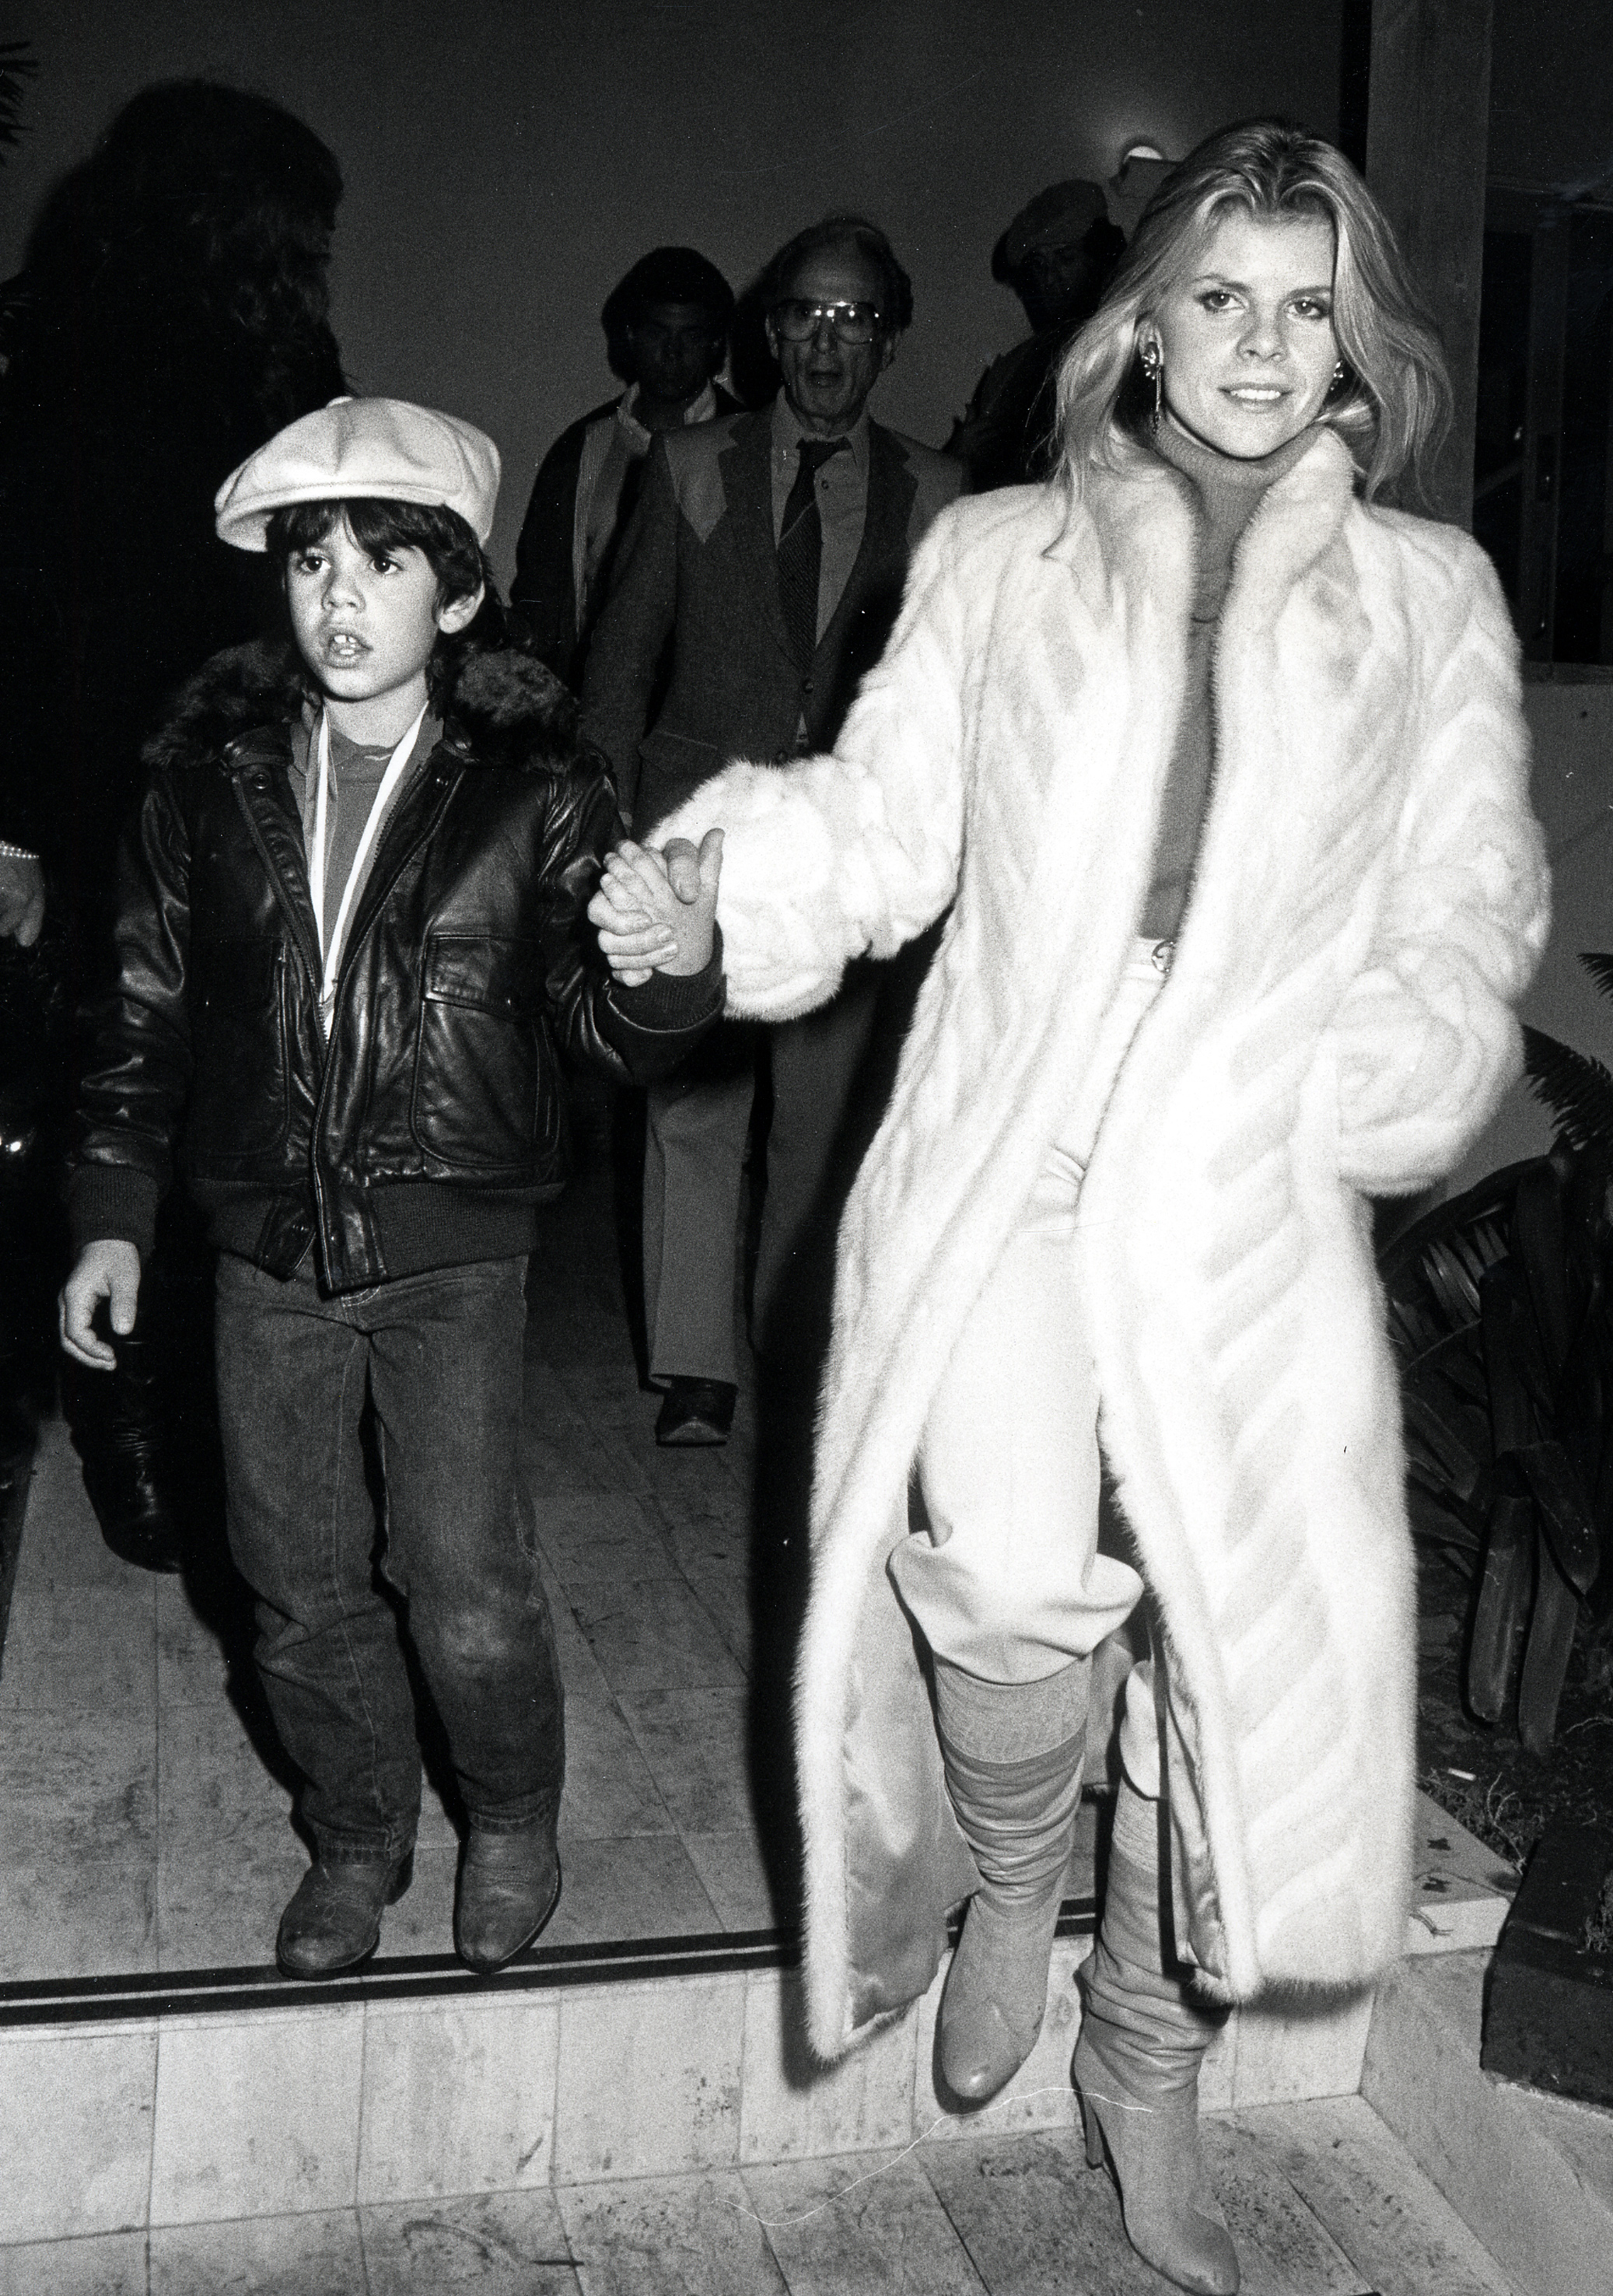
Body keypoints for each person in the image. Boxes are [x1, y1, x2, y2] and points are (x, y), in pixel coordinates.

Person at [593, 121, 1549, 2295]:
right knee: (1014, 1575)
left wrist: (1367, 1063)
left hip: (1242, 1148)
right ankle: (1010, 1869)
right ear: (1143, 317)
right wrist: (712, 892)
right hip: (1019, 1120)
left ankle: (1146, 2058)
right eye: (1220, 293)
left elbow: (1464, 903)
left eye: (1308, 305)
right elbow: (884, 820)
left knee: (1221, 1665)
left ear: (1354, 343)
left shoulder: (1428, 600)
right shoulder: (1003, 557)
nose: (1259, 345)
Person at [58, 397, 723, 1980]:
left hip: (448, 1250)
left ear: (462, 593)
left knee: (463, 1577)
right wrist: (106, 1214)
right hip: (266, 1245)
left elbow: (599, 1022)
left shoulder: (534, 792)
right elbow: (142, 1011)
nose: (341, 599)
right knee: (290, 1582)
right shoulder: (207, 786)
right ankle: (358, 1834)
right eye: (307, 563)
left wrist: (672, 968)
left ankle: (509, 1817)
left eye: (383, 561)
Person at [0, 80, 349, 1569]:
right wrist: (12, 828)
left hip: (234, 785)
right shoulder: (56, 350)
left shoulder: (283, 360)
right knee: (111, 1106)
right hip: (96, 791)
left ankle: (194, 1431)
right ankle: (126, 1430)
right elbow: (13, 600)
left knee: (229, 1110)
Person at [579, 215, 963, 1446]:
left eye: (853, 319)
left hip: (844, 856)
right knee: (691, 1106)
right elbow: (620, 664)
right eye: (802, 314)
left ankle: (796, 1351)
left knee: (823, 1119)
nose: (824, 342)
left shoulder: (941, 497)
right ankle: (697, 1367)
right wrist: (604, 829)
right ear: (771, 329)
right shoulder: (689, 463)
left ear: (890, 341)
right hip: (695, 839)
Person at [512, 247, 740, 691]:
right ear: (631, 336)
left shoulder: (751, 446)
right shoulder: (579, 452)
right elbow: (539, 597)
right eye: (659, 333)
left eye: (690, 336)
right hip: (589, 699)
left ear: (715, 344)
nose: (672, 353)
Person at [946, 178, 1126, 491]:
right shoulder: (1013, 369)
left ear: (1102, 255)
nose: (1053, 277)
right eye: (1040, 266)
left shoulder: (1137, 345)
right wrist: (960, 455)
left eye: (1066, 258)